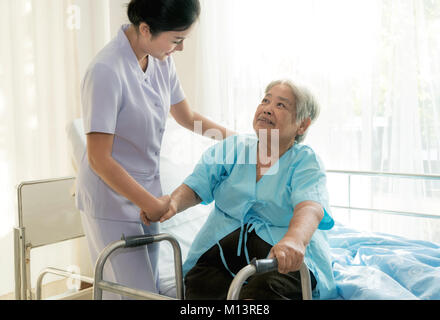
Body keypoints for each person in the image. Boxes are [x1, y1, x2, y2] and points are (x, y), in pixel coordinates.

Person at [76, 0, 233, 299]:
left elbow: (187, 118)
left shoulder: (160, 59)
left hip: (147, 195)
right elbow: (98, 158)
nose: (181, 48)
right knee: (137, 294)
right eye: (176, 40)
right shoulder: (106, 70)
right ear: (146, 29)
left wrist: (240, 141)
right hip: (111, 199)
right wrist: (150, 203)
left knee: (149, 291)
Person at [144, 80, 338, 300]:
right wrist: (173, 203)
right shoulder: (233, 147)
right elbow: (198, 184)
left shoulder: (305, 161)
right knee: (200, 286)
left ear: (302, 125)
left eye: (281, 105)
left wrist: (294, 240)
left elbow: (310, 207)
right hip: (222, 248)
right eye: (266, 100)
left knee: (263, 291)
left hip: (279, 253)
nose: (267, 108)